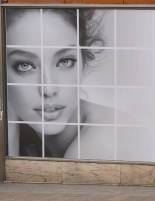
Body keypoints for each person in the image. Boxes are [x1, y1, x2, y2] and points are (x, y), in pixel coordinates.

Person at [6, 9, 113, 158]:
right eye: (24, 66)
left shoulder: (95, 148)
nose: (49, 89)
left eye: (65, 61)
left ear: (83, 60)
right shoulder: (28, 134)